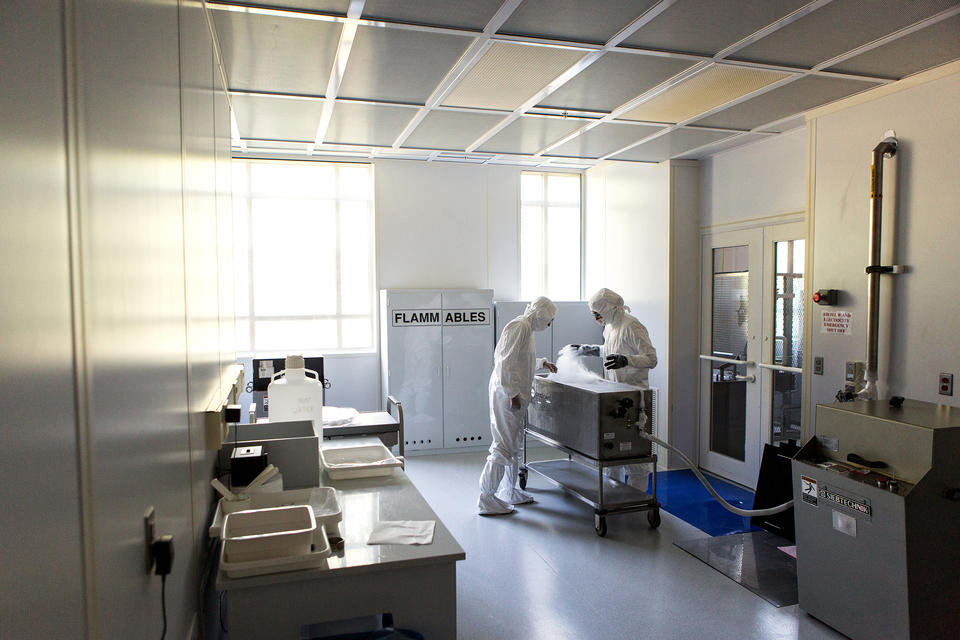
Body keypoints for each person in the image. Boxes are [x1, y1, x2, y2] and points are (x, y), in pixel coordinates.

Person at [478, 297, 558, 516]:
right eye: (549, 320)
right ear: (541, 315)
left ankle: (509, 491)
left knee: (513, 444)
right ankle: (486, 497)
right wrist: (512, 393)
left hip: (514, 393)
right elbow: (505, 361)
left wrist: (542, 363)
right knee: (503, 445)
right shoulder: (519, 326)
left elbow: (522, 358)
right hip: (507, 394)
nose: (548, 325)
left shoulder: (526, 329)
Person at [571, 288, 657, 488]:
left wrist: (626, 360)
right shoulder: (609, 327)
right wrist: (588, 350)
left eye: (597, 313)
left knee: (634, 454)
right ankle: (613, 497)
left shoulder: (633, 326)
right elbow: (610, 351)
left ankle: (636, 500)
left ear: (608, 308)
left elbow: (652, 359)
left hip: (634, 398)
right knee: (611, 452)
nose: (596, 318)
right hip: (612, 395)